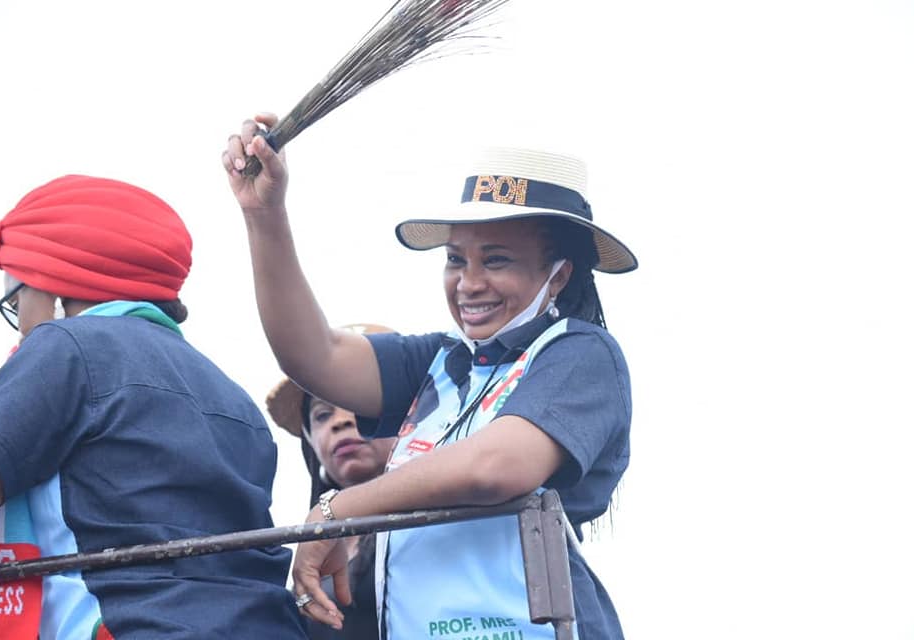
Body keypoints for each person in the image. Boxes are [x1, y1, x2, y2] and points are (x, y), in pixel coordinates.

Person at [223, 114, 636, 639]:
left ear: (558, 275)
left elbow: (496, 466)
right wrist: (264, 214)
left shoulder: (580, 354)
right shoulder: (437, 362)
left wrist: (336, 508)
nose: (469, 283)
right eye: (455, 260)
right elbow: (313, 356)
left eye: (497, 260)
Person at [0, 175, 305, 639]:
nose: (19, 327)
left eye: (16, 300)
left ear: (52, 290)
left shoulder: (66, 348)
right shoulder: (232, 395)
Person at [265, 323, 396, 640]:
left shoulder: (450, 513)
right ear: (309, 440)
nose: (341, 421)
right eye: (323, 415)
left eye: (360, 405)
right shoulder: (309, 546)